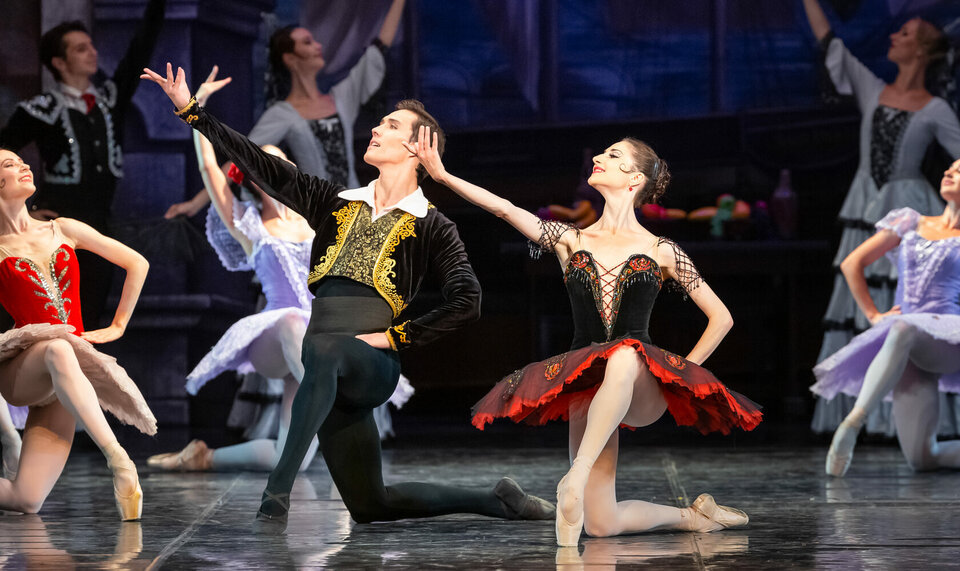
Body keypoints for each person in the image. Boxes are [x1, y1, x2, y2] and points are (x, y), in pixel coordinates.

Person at [141, 63, 554, 531]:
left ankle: (275, 494)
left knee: (322, 348)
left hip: (369, 365)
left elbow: (467, 300)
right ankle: (497, 501)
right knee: (370, 504)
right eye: (380, 122)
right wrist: (192, 111)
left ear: (418, 148)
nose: (376, 128)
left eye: (391, 125)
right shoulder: (334, 202)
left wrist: (395, 338)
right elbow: (259, 162)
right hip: (325, 365)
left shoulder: (433, 225)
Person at [405, 128, 761, 546]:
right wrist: (442, 176)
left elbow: (721, 318)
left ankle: (573, 476)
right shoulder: (570, 240)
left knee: (624, 355)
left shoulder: (662, 250)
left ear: (635, 178)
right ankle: (695, 517)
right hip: (587, 386)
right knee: (601, 523)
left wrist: (680, 375)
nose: (598, 158)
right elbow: (504, 209)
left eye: (613, 155)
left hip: (642, 387)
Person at [147, 71, 410, 471]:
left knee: (293, 458)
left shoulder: (317, 216)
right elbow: (209, 170)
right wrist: (192, 105)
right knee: (291, 323)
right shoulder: (249, 224)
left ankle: (202, 458)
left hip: (315, 338)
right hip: (274, 338)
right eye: (266, 160)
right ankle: (338, 405)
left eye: (281, 160)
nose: (277, 165)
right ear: (254, 174)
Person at [802, 0, 960, 434]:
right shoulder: (872, 88)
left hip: (909, 203)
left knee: (904, 302)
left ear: (921, 50)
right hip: (866, 205)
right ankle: (859, 415)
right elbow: (830, 42)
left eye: (905, 34)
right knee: (857, 301)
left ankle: (901, 420)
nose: (894, 36)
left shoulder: (935, 109)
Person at [0, 148, 154, 519]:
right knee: (57, 347)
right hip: (23, 373)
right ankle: (119, 460)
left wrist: (118, 326)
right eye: (9, 164)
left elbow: (137, 263)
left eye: (22, 161)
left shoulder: (64, 228)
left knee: (26, 499)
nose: (23, 165)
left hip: (65, 378)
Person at [0, 0, 166, 329]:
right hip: (55, 224)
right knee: (46, 317)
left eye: (91, 46)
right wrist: (30, 212)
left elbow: (139, 53)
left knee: (87, 316)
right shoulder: (41, 110)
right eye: (80, 49)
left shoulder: (110, 101)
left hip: (99, 223)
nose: (92, 52)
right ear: (59, 62)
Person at [163, 0, 406, 219]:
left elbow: (378, 49)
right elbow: (241, 157)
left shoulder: (342, 98)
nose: (318, 46)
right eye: (307, 42)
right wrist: (196, 203)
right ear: (290, 58)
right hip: (317, 215)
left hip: (357, 209)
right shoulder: (282, 114)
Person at [812, 158, 960, 476]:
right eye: (949, 167)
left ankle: (853, 422)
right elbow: (852, 263)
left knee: (904, 327)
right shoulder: (911, 222)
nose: (949, 172)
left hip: (949, 338)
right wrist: (873, 314)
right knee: (923, 458)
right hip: (906, 340)